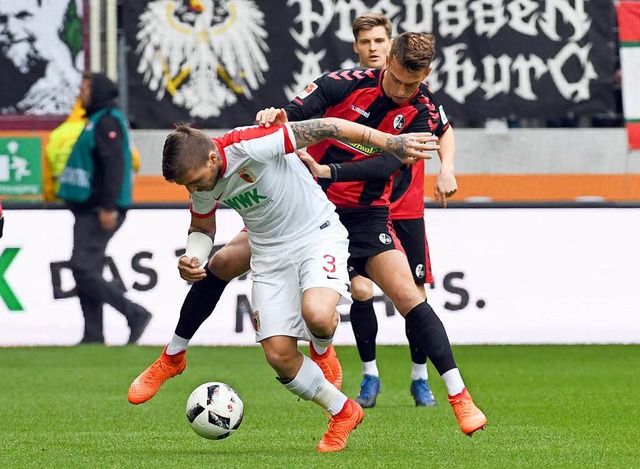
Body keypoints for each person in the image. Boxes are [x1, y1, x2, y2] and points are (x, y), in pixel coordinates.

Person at [129, 117, 438, 452]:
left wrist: (391, 142)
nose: (196, 189)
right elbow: (203, 227)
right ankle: (344, 412)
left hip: (316, 236)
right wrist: (193, 255)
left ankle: (322, 348)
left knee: (318, 315)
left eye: (195, 182)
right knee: (278, 355)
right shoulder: (199, 179)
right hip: (267, 254)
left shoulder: (251, 144)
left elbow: (330, 126)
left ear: (213, 159)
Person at [256, 31, 486, 436]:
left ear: (427, 74)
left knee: (411, 297)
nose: (400, 91)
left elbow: (384, 166)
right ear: (388, 60)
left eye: (410, 84)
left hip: (367, 215)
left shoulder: (424, 109)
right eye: (395, 79)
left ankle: (459, 396)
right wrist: (277, 117)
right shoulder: (340, 84)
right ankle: (174, 354)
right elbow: (294, 113)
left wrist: (331, 171)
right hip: (311, 211)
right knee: (225, 262)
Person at [338, 13, 458, 408]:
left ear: (392, 47)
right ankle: (370, 374)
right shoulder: (348, 91)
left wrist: (447, 170)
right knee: (359, 290)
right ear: (357, 47)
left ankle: (420, 378)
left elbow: (445, 131)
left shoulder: (419, 97)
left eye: (379, 41)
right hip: (361, 209)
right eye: (365, 42)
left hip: (405, 209)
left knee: (415, 295)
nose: (373, 48)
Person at [57, 72, 151, 345]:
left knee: (82, 269)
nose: (80, 94)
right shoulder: (97, 121)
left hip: (100, 209)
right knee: (88, 270)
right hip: (90, 208)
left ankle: (134, 314)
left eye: (84, 88)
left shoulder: (107, 121)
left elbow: (114, 166)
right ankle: (93, 335)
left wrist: (108, 206)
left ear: (97, 91)